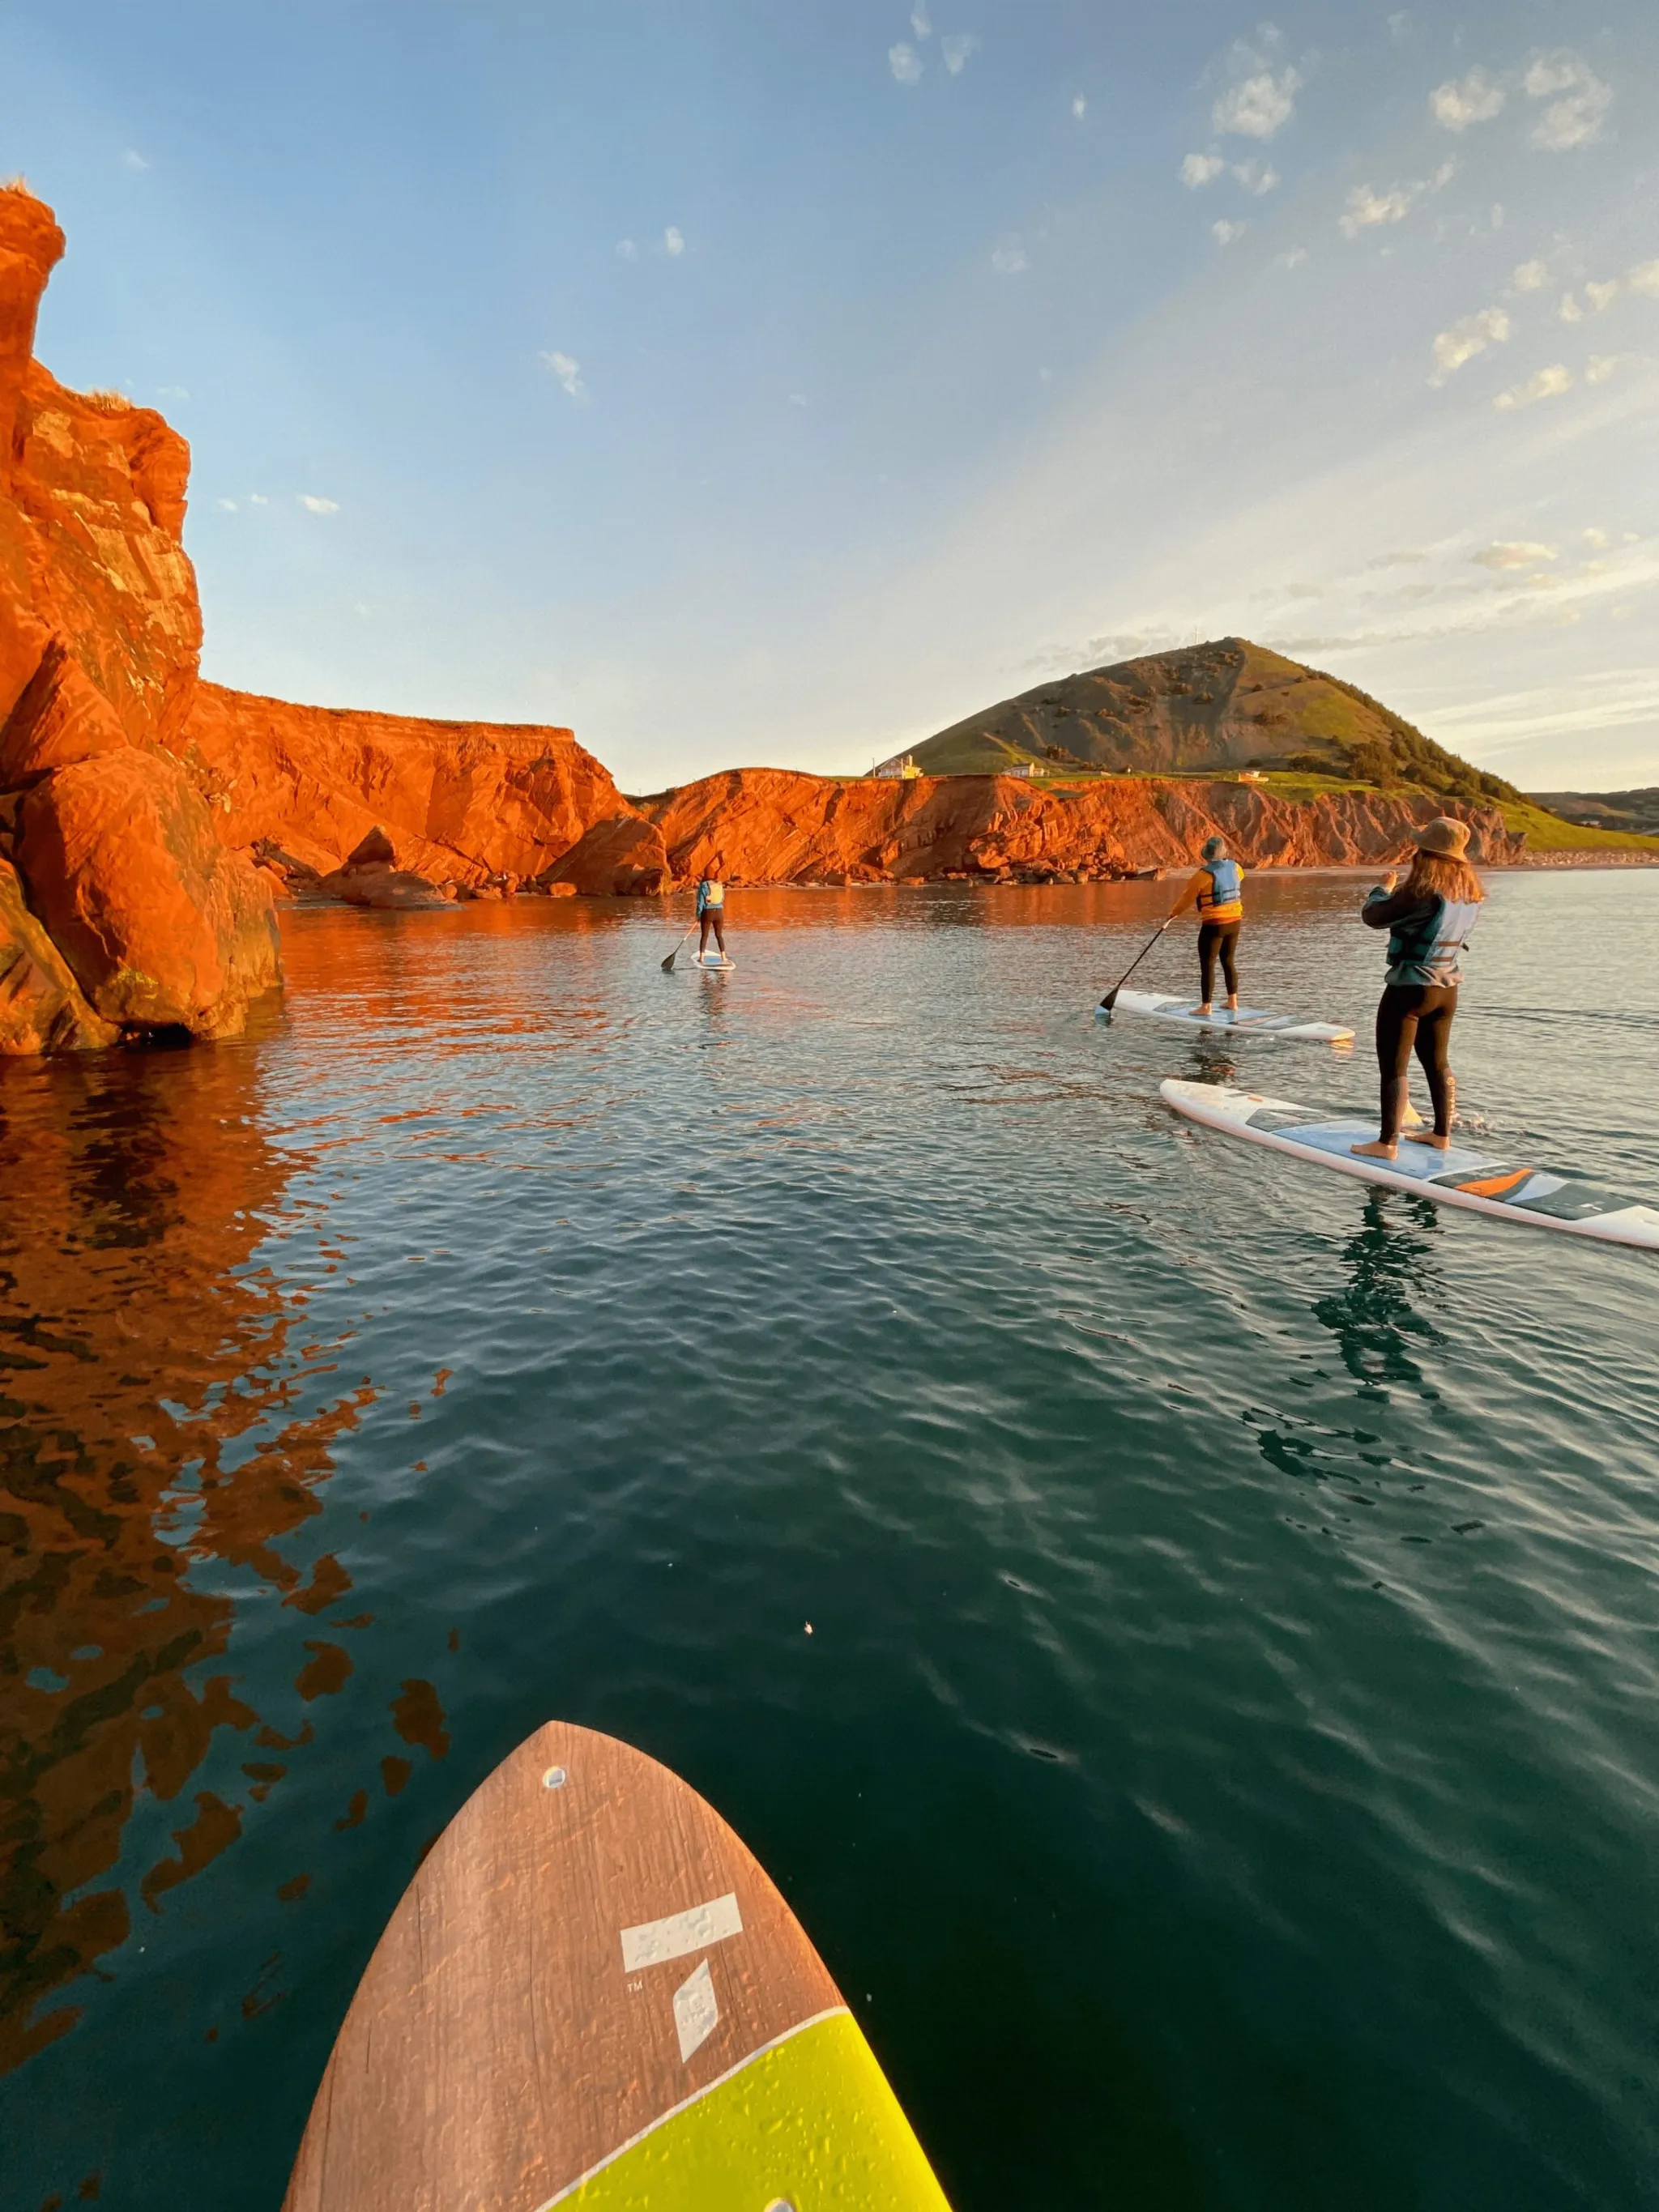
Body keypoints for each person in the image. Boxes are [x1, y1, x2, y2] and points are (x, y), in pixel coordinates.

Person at [1350, 816, 1484, 1161]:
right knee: (1438, 1062)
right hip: (1446, 991)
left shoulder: (1422, 891)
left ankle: (1386, 1143)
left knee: (1394, 1068)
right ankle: (1441, 1135)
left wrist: (1382, 888)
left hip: (1410, 990)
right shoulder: (1470, 894)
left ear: (1424, 854)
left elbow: (1374, 917)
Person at [1173, 835, 1245, 1016]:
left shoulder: (1202, 875)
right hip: (1235, 921)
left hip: (1214, 925)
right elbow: (1238, 879)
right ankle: (1232, 1002)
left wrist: (1173, 914)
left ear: (1206, 855)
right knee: (1228, 961)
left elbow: (1186, 899)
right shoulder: (1236, 868)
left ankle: (1206, 1007)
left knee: (1208, 964)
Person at [696, 857, 728, 962]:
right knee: (719, 935)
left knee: (704, 936)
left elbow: (700, 903)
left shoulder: (703, 886)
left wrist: (698, 915)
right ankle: (724, 957)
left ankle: (701, 958)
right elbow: (722, 898)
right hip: (719, 913)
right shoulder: (719, 885)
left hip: (707, 913)